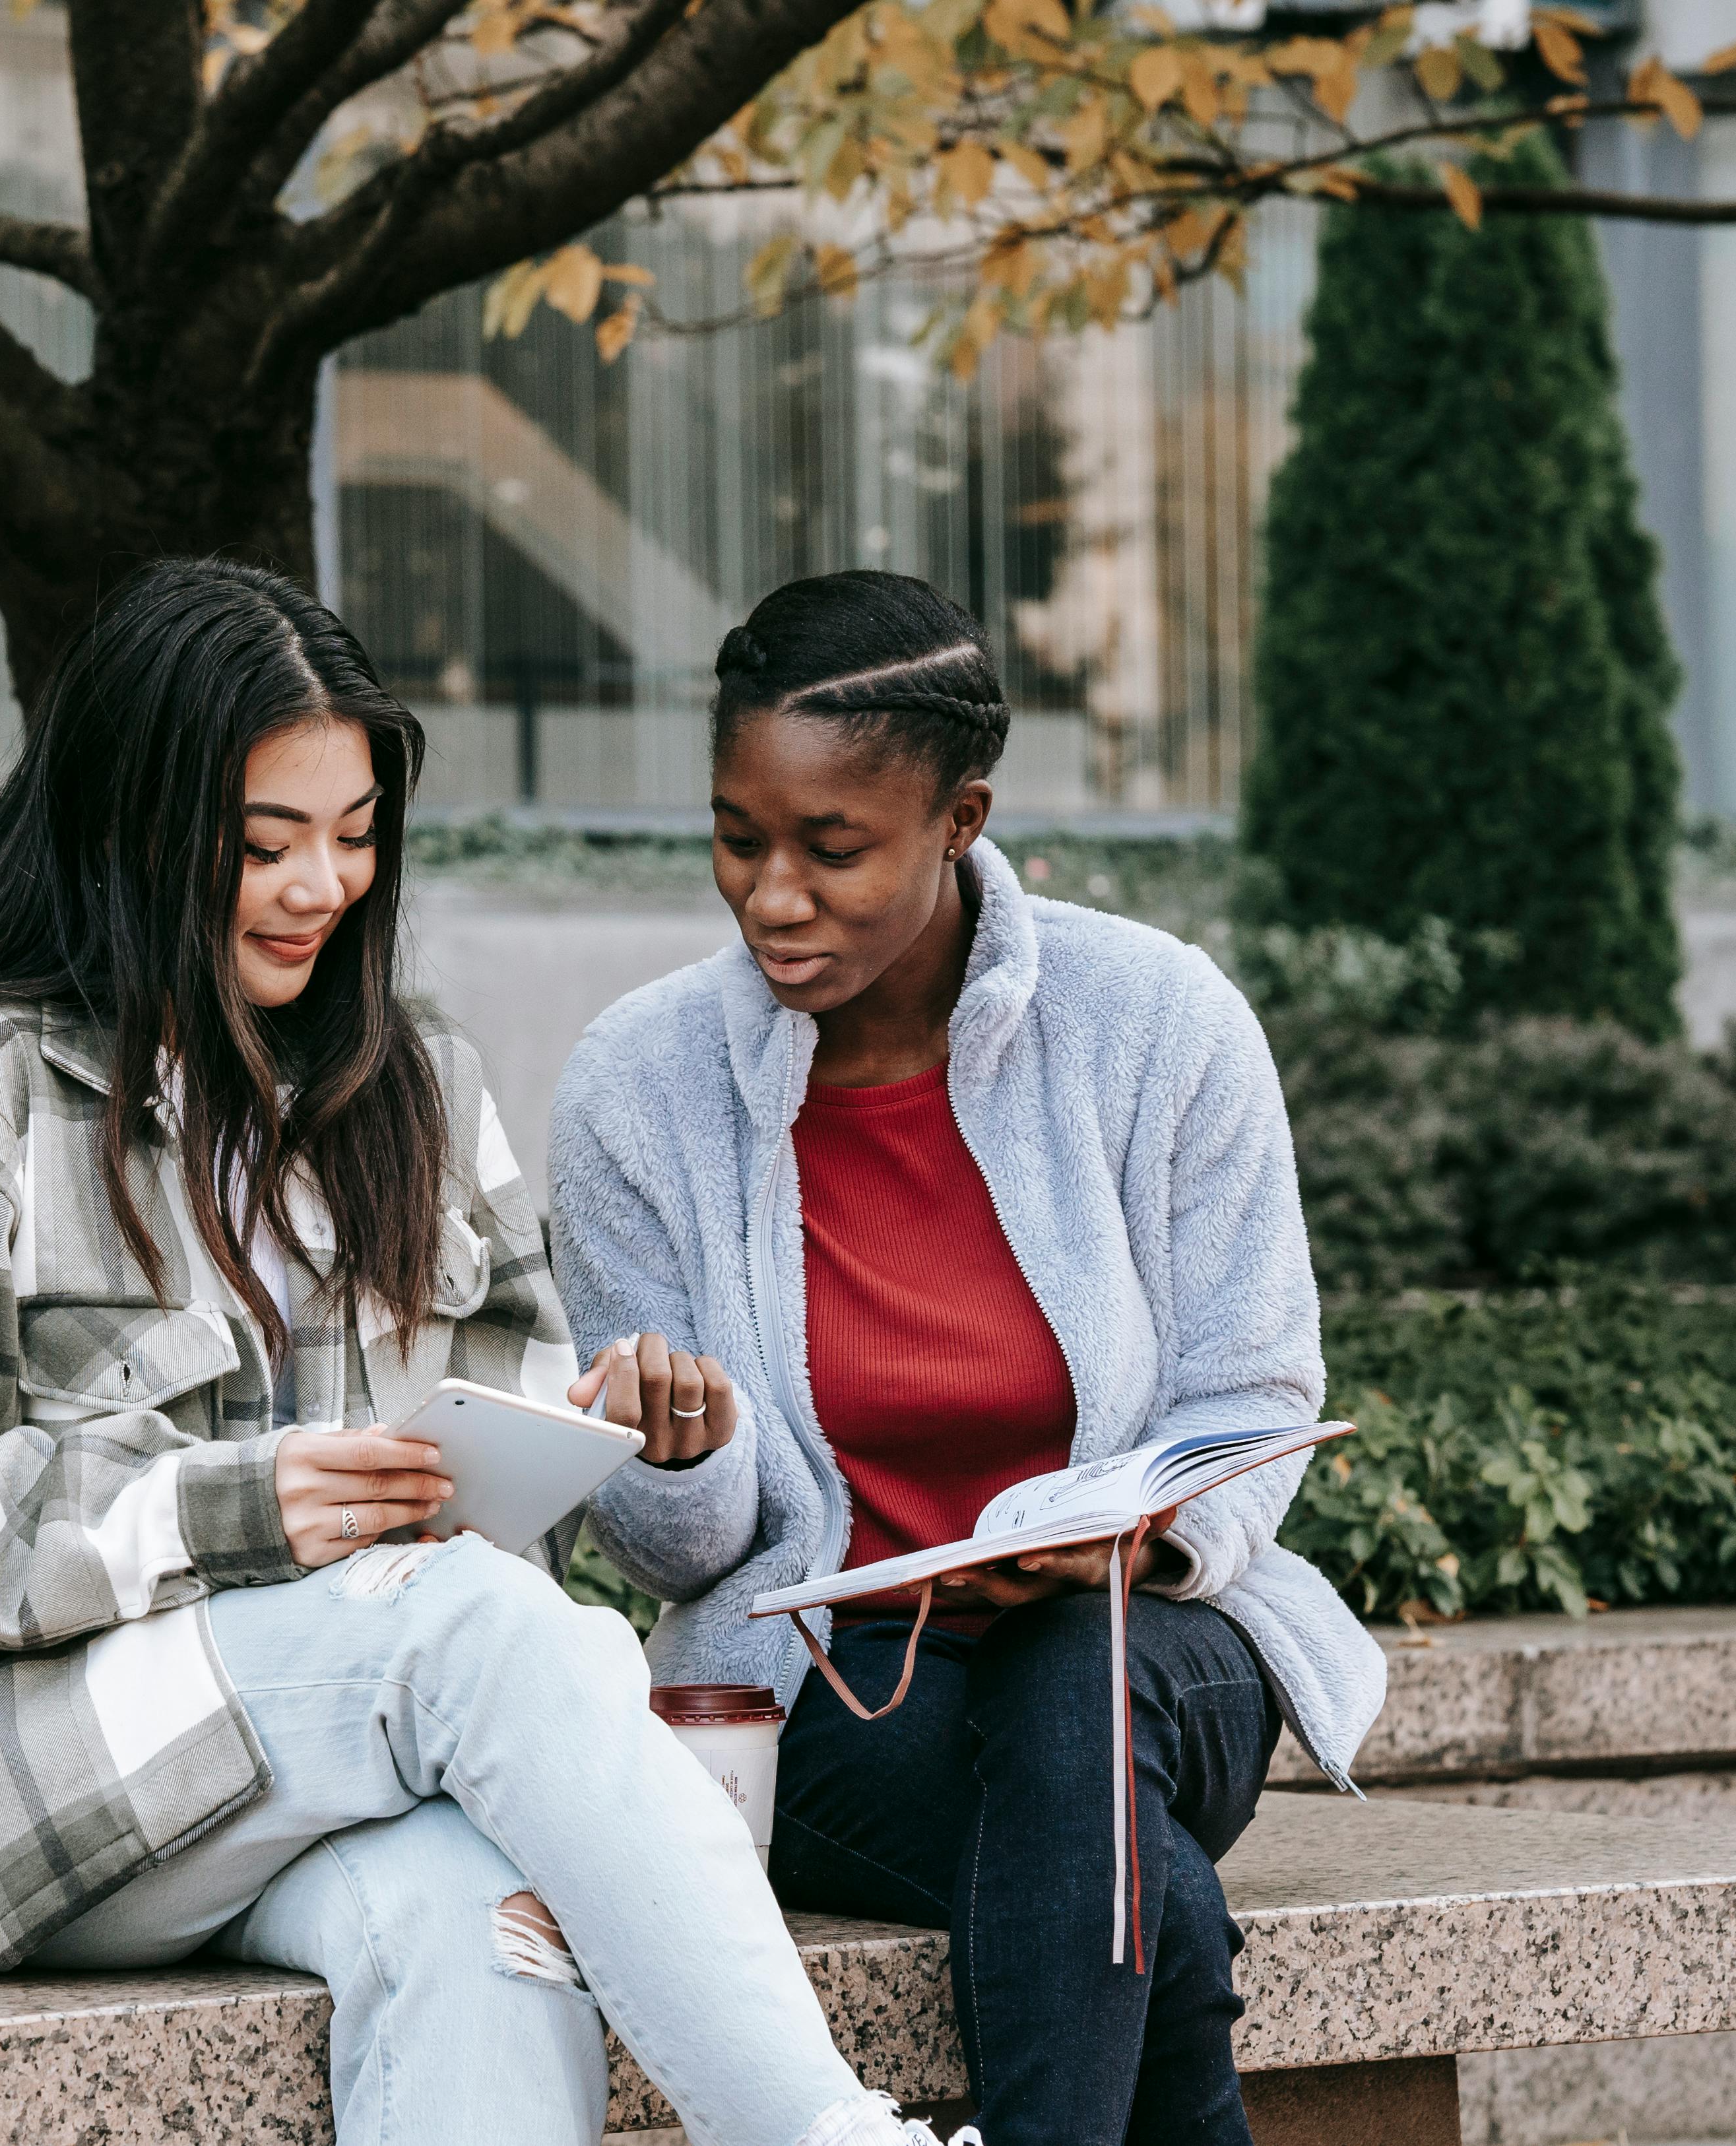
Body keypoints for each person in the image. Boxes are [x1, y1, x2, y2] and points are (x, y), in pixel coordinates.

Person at [0, 558, 971, 2146]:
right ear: (134, 828)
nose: (319, 887)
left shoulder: (415, 1086)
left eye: (352, 835)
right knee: (469, 1626)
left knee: (485, 1929)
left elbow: (488, 1445)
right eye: (262, 845)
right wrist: (243, 1506)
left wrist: (595, 1429)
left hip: (289, 1761)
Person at [546, 569, 1388, 2146]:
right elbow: (676, 1555)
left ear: (961, 817)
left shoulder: (1158, 1023)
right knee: (1156, 1910)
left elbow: (1256, 1386)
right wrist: (679, 1455)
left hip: (1163, 1655)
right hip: (845, 1697)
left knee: (1083, 1665)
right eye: (740, 837)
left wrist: (1139, 1534)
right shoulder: (637, 1089)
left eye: (833, 848)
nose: (773, 896)